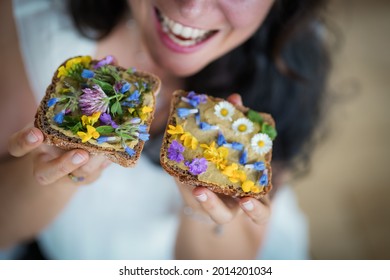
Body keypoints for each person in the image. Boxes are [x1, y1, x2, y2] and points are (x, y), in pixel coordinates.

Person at [0, 0, 329, 259]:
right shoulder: (37, 28)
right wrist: (63, 173)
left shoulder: (285, 67)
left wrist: (204, 209)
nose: (192, 7)